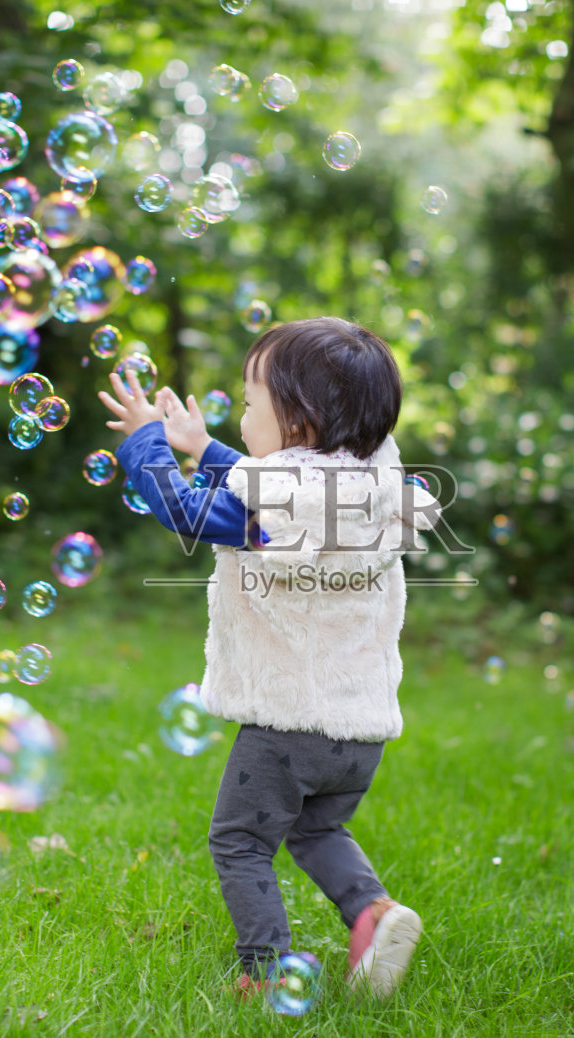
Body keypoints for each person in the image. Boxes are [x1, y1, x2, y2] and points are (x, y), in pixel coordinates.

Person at [97, 316, 437, 1000]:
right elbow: (275, 483)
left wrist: (146, 442)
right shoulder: (368, 494)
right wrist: (204, 447)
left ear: (299, 423)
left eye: (251, 404)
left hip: (289, 725)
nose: (243, 416)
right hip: (361, 727)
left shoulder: (273, 512)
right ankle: (373, 912)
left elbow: (188, 511)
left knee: (239, 841)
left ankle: (265, 970)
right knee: (317, 826)